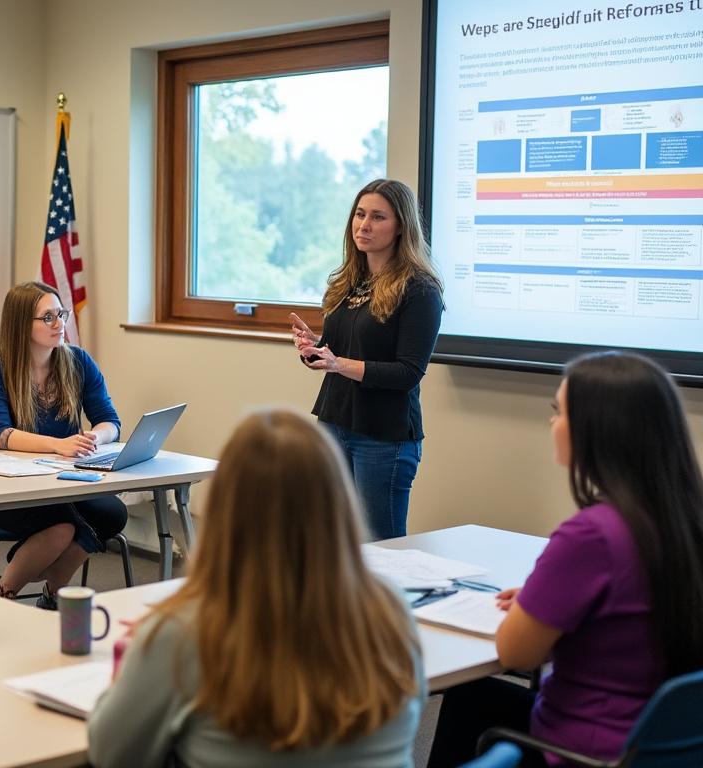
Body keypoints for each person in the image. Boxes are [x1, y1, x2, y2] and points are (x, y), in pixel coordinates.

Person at [88, 408, 424, 767]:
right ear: (337, 504)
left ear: (224, 511)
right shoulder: (391, 612)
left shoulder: (183, 635)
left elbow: (111, 754)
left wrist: (141, 657)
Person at [427, 351, 703, 767]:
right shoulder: (686, 519)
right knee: (475, 697)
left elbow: (517, 654)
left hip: (585, 751)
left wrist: (531, 608)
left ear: (599, 430)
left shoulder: (592, 535)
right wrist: (549, 601)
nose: (552, 423)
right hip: (660, 741)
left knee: (471, 696)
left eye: (559, 412)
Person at [291, 178, 443, 540]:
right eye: (360, 214)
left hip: (383, 435)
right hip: (333, 423)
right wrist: (316, 348)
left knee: (382, 546)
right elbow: (340, 349)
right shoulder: (347, 282)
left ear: (401, 226)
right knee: (332, 539)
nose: (364, 225)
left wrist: (337, 363)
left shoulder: (420, 289)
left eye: (378, 217)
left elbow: (407, 372)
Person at [0, 281, 127, 609]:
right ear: (20, 324)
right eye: (48, 317)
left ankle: (51, 595)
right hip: (9, 486)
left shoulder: (78, 361)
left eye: (61, 314)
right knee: (61, 527)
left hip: (64, 480)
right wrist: (58, 445)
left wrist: (93, 438)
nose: (60, 324)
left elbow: (110, 422)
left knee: (113, 513)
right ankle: (2, 594)